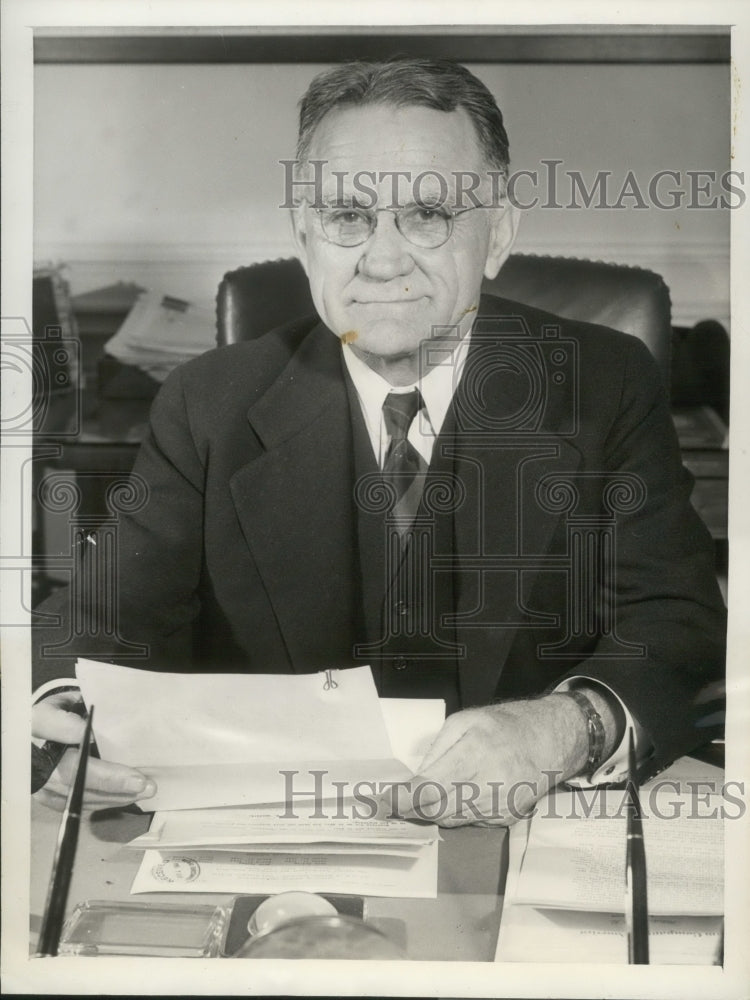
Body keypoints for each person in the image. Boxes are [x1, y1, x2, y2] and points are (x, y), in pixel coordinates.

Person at [31, 58, 726, 825]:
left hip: (531, 828)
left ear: (496, 236)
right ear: (305, 238)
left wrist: (560, 730)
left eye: (429, 215)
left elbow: (677, 621)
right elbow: (101, 613)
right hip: (280, 834)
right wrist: (61, 714)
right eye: (347, 217)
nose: (384, 259)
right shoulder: (211, 403)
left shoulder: (602, 383)